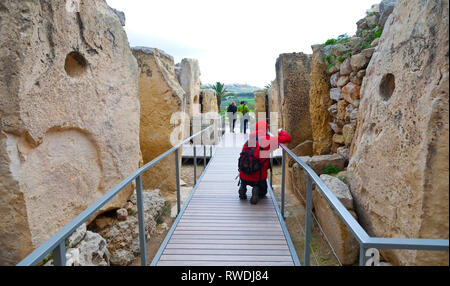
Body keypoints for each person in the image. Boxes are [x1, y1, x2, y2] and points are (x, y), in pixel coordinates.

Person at [238, 120, 291, 204]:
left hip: (244, 173)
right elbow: (287, 138)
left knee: (245, 179)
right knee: (263, 193)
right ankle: (256, 190)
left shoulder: (250, 139)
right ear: (266, 129)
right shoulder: (268, 140)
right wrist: (281, 131)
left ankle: (242, 187)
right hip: (258, 176)